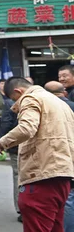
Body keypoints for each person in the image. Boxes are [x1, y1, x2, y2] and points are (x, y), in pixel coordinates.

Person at [0, 77, 74, 232]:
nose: (15, 105)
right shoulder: (60, 104)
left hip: (41, 176)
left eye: (15, 100)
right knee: (55, 226)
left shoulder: (31, 98)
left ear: (19, 91)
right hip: (62, 176)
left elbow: (26, 128)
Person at [45, 81, 74, 231]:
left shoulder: (49, 108)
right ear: (64, 92)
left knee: (67, 198)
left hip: (61, 158)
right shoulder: (71, 105)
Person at [0, 87, 18, 222]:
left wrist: (0, 143)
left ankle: (21, 209)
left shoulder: (11, 104)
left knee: (19, 175)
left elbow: (6, 123)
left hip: (17, 145)